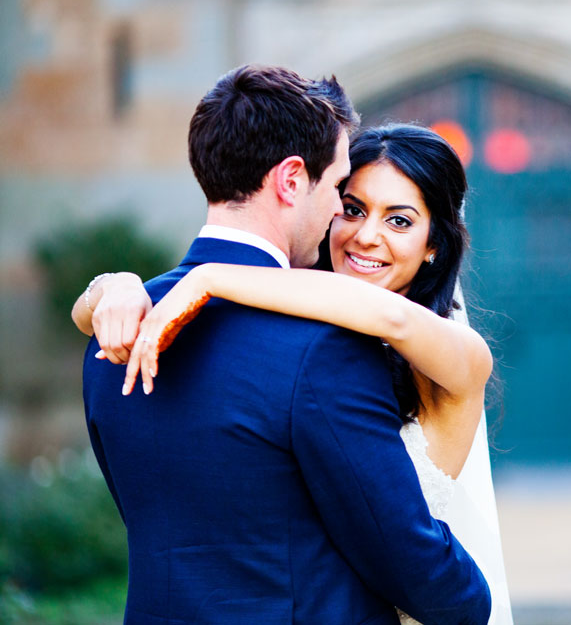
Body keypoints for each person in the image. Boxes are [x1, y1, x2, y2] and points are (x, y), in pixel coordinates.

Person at [78, 65, 492, 624]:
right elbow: (408, 560)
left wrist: (144, 284)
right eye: (342, 196)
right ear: (293, 180)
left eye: (398, 220)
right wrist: (470, 603)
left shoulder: (117, 333)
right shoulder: (325, 350)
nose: (350, 228)